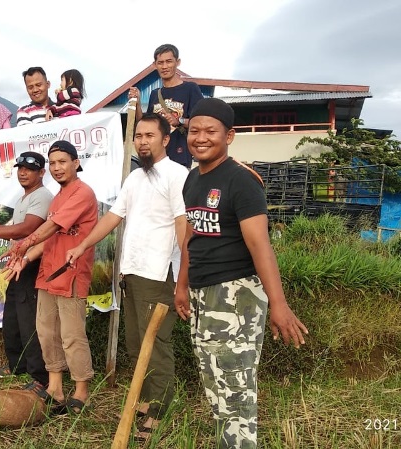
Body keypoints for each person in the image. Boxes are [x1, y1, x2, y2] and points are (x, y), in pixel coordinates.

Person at [175, 98, 308, 448]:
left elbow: (260, 245)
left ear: (229, 135)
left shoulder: (241, 180)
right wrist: (182, 285)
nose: (201, 138)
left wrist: (278, 304)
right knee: (216, 387)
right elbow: (192, 236)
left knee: (235, 393)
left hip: (236, 297)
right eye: (194, 131)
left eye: (211, 131)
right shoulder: (193, 179)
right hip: (203, 296)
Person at [65, 113, 187, 440]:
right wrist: (82, 245)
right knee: (135, 344)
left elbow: (182, 225)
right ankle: (146, 401)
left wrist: (186, 275)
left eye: (150, 135)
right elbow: (113, 218)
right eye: (139, 136)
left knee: (155, 344)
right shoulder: (134, 179)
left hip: (159, 273)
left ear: (165, 140)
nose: (143, 141)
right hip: (131, 272)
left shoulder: (177, 175)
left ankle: (159, 412)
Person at [2, 140, 97, 414]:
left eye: (62, 162)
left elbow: (51, 227)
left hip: (71, 274)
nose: (57, 168)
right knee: (46, 333)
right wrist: (25, 257)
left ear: (76, 163)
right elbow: (51, 238)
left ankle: (81, 390)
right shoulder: (58, 197)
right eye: (53, 163)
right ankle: (54, 386)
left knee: (72, 335)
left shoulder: (83, 193)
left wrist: (23, 243)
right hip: (48, 274)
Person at [0, 151, 53, 389]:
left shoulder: (42, 195)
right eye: (20, 168)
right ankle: (17, 365)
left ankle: (40, 377)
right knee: (13, 318)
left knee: (29, 321)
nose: (23, 172)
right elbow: (18, 228)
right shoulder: (25, 197)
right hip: (18, 264)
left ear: (41, 173)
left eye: (30, 169)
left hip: (31, 263)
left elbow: (28, 229)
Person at [129, 44, 203, 169]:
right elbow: (145, 123)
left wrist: (178, 121)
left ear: (177, 62)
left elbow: (201, 123)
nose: (164, 66)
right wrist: (137, 103)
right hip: (155, 159)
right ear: (155, 65)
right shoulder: (155, 94)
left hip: (180, 159)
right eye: (160, 62)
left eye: (169, 61)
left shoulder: (190, 88)